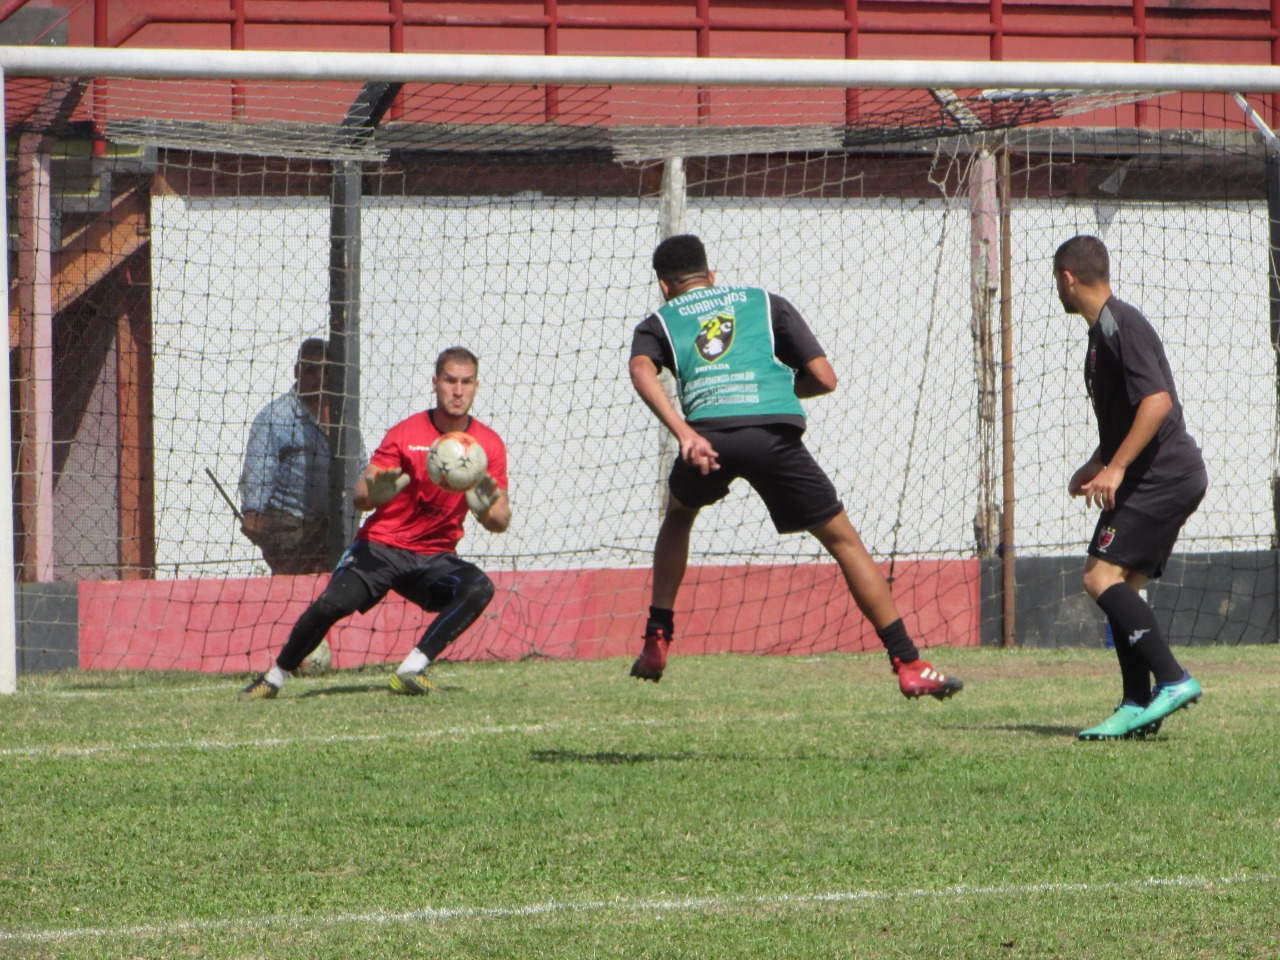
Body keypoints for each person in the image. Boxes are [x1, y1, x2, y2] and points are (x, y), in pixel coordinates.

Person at [627, 234, 963, 699]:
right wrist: (775, 392)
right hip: (773, 438)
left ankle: (657, 633)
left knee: (679, 515)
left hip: (708, 435)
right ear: (712, 275)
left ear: (664, 286)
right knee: (844, 542)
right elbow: (825, 378)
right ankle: (907, 661)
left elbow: (641, 369)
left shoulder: (660, 320)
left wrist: (685, 434)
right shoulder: (764, 302)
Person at [238, 347, 511, 700]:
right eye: (449, 381)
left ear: (475, 386)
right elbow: (360, 495)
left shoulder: (487, 445)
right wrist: (376, 493)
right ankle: (274, 677)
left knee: (479, 588)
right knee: (332, 605)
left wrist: (485, 504)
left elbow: (500, 520)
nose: (457, 390)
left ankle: (412, 668)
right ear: (435, 383)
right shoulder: (405, 432)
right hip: (381, 549)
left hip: (433, 559)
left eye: (466, 382)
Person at [1053, 235, 1208, 741]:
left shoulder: (1122, 323)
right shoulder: (1101, 335)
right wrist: (1097, 462)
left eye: (1057, 279)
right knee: (1122, 584)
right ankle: (1136, 704)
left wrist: (1116, 469)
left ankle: (1172, 679)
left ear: (1068, 278)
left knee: (1099, 577)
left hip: (1162, 474)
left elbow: (1157, 402)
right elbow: (1126, 419)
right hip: (1159, 474)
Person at [238, 337, 334, 576]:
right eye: (311, 370)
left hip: (329, 523)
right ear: (296, 371)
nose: (319, 378)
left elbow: (358, 461)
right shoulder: (276, 416)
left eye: (326, 370)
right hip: (288, 522)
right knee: (293, 584)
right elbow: (260, 466)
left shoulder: (342, 416)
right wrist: (253, 511)